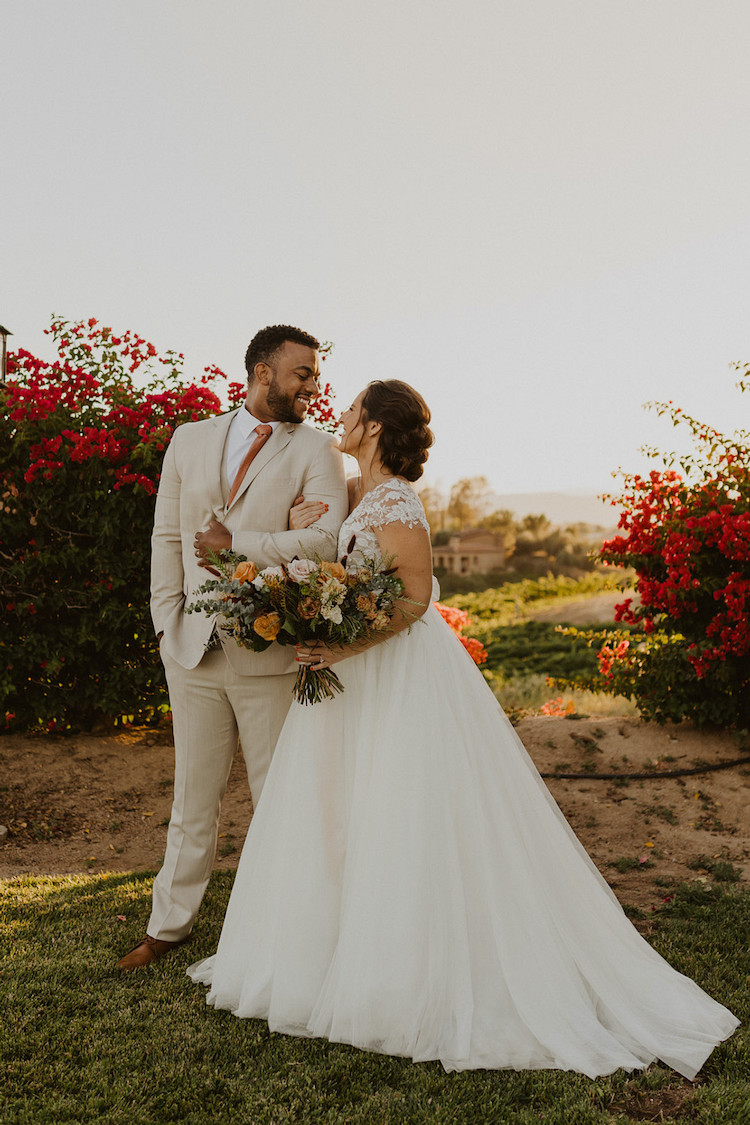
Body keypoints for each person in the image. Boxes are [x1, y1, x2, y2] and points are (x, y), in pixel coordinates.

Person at [187, 380, 738, 1077]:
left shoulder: (398, 502)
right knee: (340, 813)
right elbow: (345, 570)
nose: (343, 416)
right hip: (351, 674)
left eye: (355, 409)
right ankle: (334, 953)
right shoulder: (359, 494)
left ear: (378, 427)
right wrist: (305, 596)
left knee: (403, 812)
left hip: (392, 672)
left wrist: (339, 645)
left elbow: (415, 601)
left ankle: (406, 971)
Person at [116, 325, 348, 971]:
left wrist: (240, 539)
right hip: (191, 648)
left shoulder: (317, 448)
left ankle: (285, 929)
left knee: (278, 797)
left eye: (314, 374)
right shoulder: (189, 440)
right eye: (302, 372)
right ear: (261, 371)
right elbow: (168, 535)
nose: (313, 384)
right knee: (192, 796)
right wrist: (166, 621)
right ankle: (169, 925)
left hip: (268, 652)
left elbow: (328, 541)